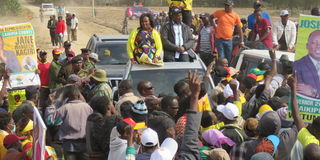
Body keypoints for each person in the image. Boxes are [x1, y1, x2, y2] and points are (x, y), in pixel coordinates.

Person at [53, 85, 93, 160]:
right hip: (84, 144)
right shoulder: (87, 107)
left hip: (69, 146)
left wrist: (59, 100)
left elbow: (51, 120)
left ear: (66, 96)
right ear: (78, 95)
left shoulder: (64, 108)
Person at [287, 75, 320, 159]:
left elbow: (296, 116)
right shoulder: (312, 143)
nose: (307, 125)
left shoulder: (306, 136)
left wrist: (293, 88)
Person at [86, 96, 115, 160]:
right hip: (100, 156)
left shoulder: (91, 118)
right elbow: (104, 143)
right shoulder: (99, 120)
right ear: (108, 107)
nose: (113, 105)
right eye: (112, 103)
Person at [293, 30, 320, 98]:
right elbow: (300, 91)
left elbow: (311, 92)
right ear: (307, 46)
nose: (318, 46)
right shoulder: (298, 65)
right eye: (314, 43)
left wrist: (314, 92)